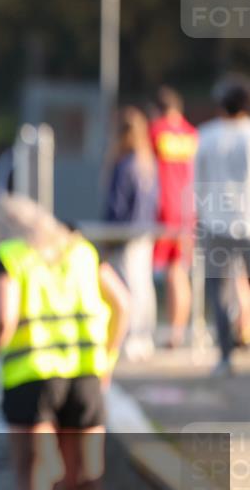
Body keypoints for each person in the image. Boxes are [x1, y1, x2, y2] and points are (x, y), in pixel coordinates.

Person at [0, 194, 129, 490]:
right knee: (86, 479)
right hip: (85, 376)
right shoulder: (81, 250)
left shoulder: (10, 256)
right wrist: (107, 357)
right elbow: (123, 304)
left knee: (35, 482)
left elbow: (2, 319)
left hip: (33, 377)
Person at [194, 74, 250, 378]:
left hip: (216, 222)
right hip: (247, 220)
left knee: (220, 292)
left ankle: (226, 353)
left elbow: (197, 182)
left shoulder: (207, 135)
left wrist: (201, 212)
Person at [103, 106, 159, 361]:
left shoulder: (125, 165)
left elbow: (117, 204)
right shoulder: (148, 163)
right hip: (145, 233)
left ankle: (130, 337)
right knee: (143, 286)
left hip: (125, 235)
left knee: (128, 288)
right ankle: (144, 337)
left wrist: (109, 234)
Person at [149, 87, 199, 348]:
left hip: (164, 210)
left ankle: (171, 332)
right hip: (188, 209)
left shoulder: (155, 131)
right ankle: (179, 330)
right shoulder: (192, 134)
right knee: (180, 272)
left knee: (168, 274)